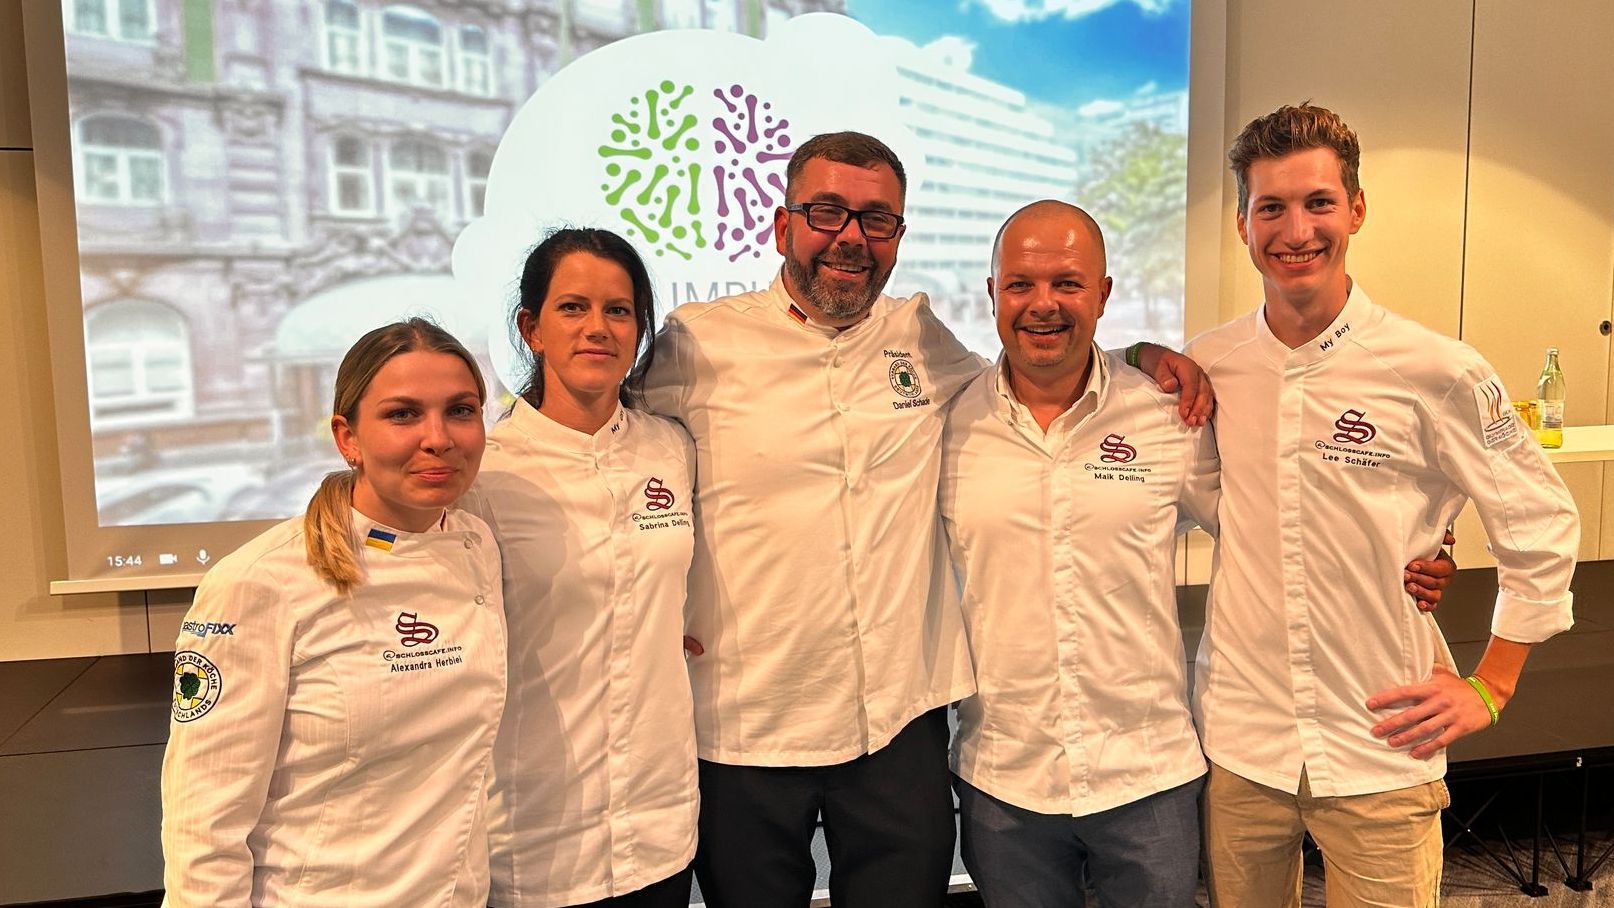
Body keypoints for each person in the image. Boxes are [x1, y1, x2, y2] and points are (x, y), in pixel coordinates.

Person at [641, 132, 1211, 908]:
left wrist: (1138, 355)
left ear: (899, 236)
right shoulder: (698, 342)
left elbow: (1032, 368)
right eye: (827, 212)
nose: (851, 236)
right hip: (745, 723)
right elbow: (617, 447)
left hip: (897, 726)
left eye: (876, 219)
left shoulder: (919, 338)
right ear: (782, 227)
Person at [940, 201, 1456, 907]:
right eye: (1021, 284)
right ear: (992, 291)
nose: (1044, 304)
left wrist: (1421, 541)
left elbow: (1279, 519)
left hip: (1147, 775)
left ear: (1103, 294)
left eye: (1068, 283)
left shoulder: (1166, 413)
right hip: (1004, 775)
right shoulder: (949, 421)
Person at [1190, 103, 1580, 906]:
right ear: (1242, 223)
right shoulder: (1211, 363)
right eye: (1271, 207)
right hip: (1243, 743)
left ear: (1357, 209)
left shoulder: (1436, 368)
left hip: (1380, 744)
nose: (1296, 230)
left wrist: (1492, 685)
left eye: (1318, 203)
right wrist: (1138, 351)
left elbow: (1539, 521)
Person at [160, 319, 506, 907]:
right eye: (403, 414)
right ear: (348, 438)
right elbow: (204, 820)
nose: (438, 438)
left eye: (460, 411)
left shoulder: (478, 546)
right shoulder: (260, 581)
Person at [461, 228, 698, 908]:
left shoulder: (672, 449)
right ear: (531, 328)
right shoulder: (486, 474)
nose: (598, 327)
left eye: (618, 310)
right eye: (573, 308)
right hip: (536, 832)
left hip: (659, 824)